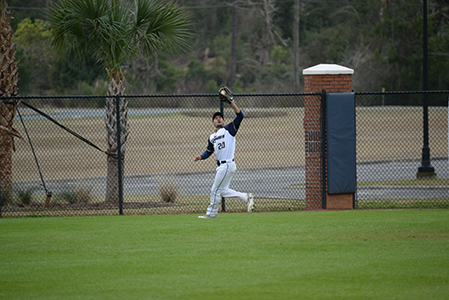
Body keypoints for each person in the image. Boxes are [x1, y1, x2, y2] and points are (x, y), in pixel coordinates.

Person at [194, 95, 254, 219]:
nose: (219, 119)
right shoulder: (211, 137)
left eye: (220, 117)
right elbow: (209, 151)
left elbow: (240, 116)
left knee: (214, 190)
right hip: (224, 166)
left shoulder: (229, 130)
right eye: (216, 118)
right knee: (222, 191)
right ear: (213, 122)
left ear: (223, 120)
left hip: (226, 164)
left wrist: (232, 102)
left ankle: (212, 213)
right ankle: (246, 197)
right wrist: (200, 157)